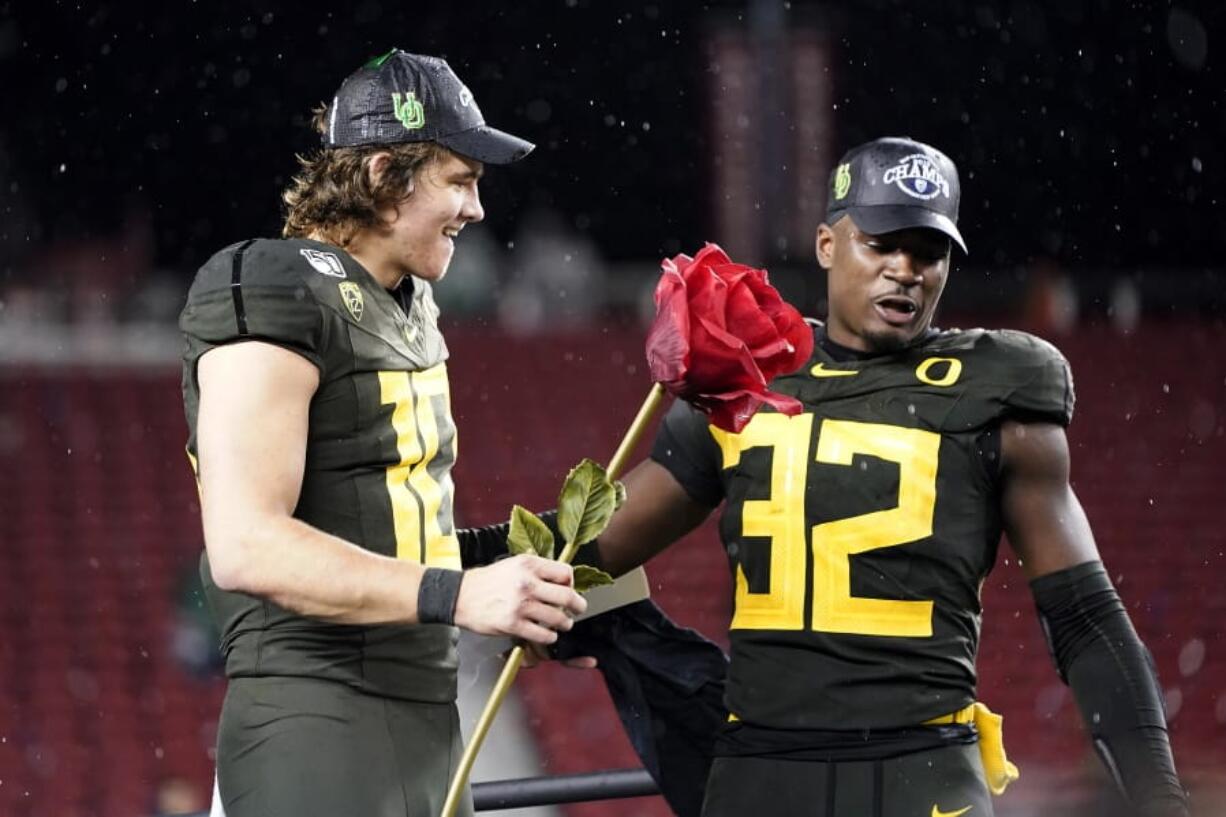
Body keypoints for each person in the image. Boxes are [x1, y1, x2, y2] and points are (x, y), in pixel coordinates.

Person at [583, 137, 1190, 816]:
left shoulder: (995, 389)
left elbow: (1085, 617)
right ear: (826, 244)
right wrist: (455, 575)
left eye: (927, 252)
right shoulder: (747, 381)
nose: (905, 269)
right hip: (766, 777)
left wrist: (1162, 800)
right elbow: (584, 550)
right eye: (881, 243)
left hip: (920, 775)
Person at [179, 49, 587, 817]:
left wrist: (528, 559)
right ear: (380, 175)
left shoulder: (407, 302)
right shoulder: (273, 281)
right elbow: (246, 544)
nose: (476, 209)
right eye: (459, 180)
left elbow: (391, 531)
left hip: (425, 719)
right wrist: (462, 592)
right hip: (315, 713)